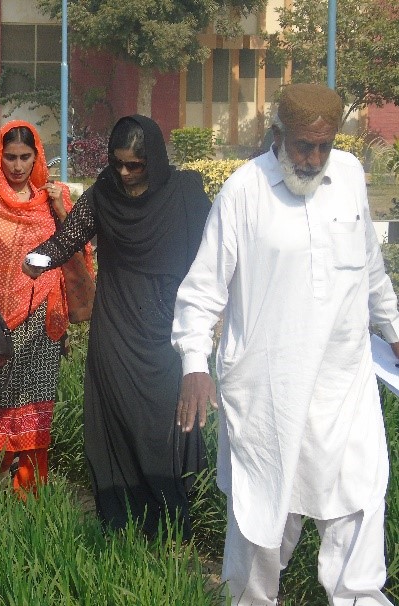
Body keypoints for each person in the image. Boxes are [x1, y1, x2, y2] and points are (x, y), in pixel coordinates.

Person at [172, 83, 399, 605]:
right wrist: (193, 361)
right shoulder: (245, 191)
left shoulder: (348, 178)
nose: (314, 158)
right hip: (269, 389)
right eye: (303, 146)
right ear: (277, 136)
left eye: (324, 145)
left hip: (344, 383)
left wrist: (392, 328)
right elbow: (203, 289)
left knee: (360, 499)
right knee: (263, 520)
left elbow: (369, 269)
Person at [25, 115, 210, 537]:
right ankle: (120, 520)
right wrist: (36, 260)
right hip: (117, 324)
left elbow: (218, 256)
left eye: (135, 165)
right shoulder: (103, 194)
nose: (124, 173)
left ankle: (171, 525)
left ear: (155, 160)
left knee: (164, 421)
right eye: (118, 163)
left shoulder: (186, 195)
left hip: (169, 329)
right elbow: (68, 238)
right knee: (118, 419)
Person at [0, 120, 91, 497]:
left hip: (41, 318)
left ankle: (30, 491)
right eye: (10, 158)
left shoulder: (51, 200)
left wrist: (59, 209)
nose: (17, 166)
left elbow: (75, 244)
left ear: (37, 156)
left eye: (25, 157)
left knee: (35, 398)